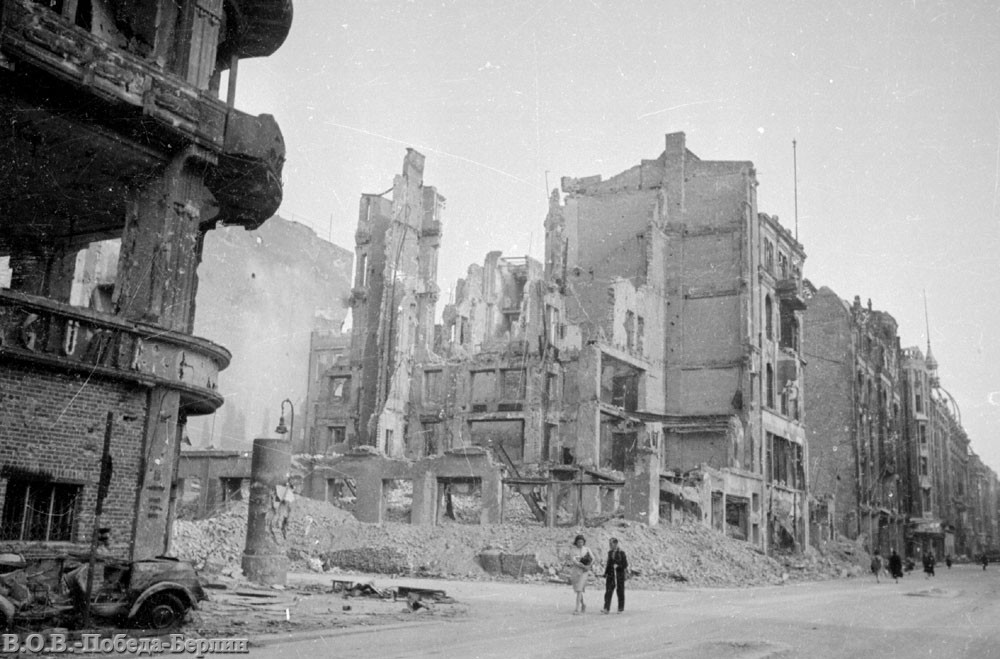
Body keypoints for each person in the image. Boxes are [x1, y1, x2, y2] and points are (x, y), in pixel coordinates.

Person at [568, 534, 596, 615]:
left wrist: (589, 566)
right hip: (576, 571)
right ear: (576, 542)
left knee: (579, 589)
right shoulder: (573, 550)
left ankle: (577, 608)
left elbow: (593, 558)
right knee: (578, 590)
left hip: (584, 572)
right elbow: (574, 560)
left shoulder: (587, 549)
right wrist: (582, 565)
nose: (580, 543)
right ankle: (583, 604)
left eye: (581, 542)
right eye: (578, 542)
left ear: (584, 542)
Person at [602, 538, 629, 614]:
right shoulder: (610, 552)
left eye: (611, 544)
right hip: (611, 575)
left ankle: (620, 608)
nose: (610, 545)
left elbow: (625, 564)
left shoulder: (621, 553)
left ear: (616, 544)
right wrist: (605, 573)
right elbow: (608, 563)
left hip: (619, 575)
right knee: (608, 591)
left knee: (620, 591)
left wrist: (618, 566)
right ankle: (606, 608)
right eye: (609, 544)